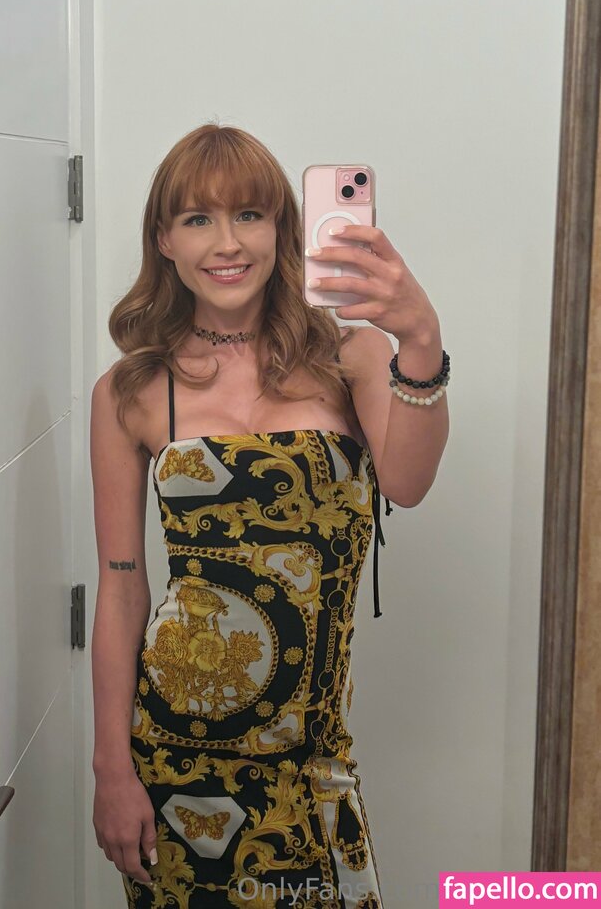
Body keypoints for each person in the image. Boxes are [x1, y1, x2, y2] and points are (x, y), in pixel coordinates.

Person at [90, 123, 448, 908]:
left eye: (249, 214)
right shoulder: (131, 390)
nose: (228, 243)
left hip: (311, 761)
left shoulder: (349, 357)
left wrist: (420, 335)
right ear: (165, 240)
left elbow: (409, 481)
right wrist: (112, 769)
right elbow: (120, 586)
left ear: (281, 227)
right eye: (198, 219)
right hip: (174, 758)